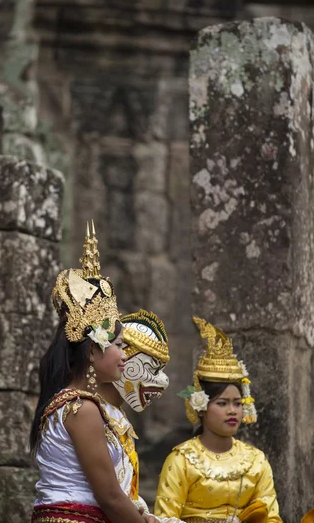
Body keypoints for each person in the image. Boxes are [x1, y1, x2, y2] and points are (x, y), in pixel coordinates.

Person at [29, 222, 150, 523]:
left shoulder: (67, 401)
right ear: (93, 351)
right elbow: (109, 497)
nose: (124, 355)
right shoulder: (81, 408)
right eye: (120, 345)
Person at [154, 317, 282, 523]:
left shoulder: (256, 461)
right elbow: (164, 519)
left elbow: (272, 518)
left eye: (238, 404)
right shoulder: (181, 461)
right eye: (222, 404)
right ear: (201, 408)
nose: (232, 411)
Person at [99, 309, 171, 517]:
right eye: (153, 369)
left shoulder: (118, 417)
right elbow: (109, 497)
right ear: (124, 360)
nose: (163, 382)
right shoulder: (88, 410)